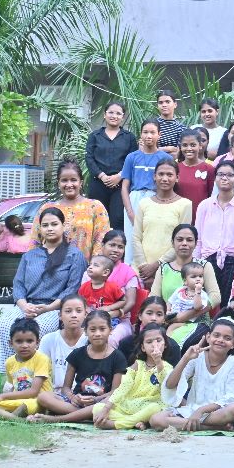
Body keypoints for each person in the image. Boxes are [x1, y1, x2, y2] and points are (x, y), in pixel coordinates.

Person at [0, 206, 87, 376]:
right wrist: (24, 306)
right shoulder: (29, 256)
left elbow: (72, 289)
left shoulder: (74, 255)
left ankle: (34, 377)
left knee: (37, 330)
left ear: (64, 226)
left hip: (54, 308)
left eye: (54, 224)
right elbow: (18, 285)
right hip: (26, 305)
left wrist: (48, 308)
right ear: (40, 228)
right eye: (45, 225)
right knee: (4, 327)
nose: (50, 228)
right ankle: (11, 378)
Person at [29, 310, 126, 424]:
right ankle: (84, 415)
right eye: (92, 329)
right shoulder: (77, 354)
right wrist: (73, 397)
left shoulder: (118, 357)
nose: (97, 333)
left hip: (100, 402)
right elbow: (66, 388)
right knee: (43, 397)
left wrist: (96, 399)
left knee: (108, 402)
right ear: (85, 331)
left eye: (102, 329)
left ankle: (58, 418)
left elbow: (115, 391)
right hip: (77, 403)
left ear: (110, 330)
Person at [151, 317, 234, 431]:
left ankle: (192, 423)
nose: (220, 340)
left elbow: (231, 398)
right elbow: (170, 385)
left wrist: (201, 411)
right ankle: (213, 427)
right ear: (208, 337)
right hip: (192, 410)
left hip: (217, 412)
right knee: (156, 420)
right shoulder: (197, 357)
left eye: (227, 338)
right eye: (216, 335)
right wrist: (186, 358)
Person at [195, 160, 234, 304]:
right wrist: (196, 264)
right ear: (215, 178)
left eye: (230, 175)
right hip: (208, 259)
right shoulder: (205, 205)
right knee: (207, 303)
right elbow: (198, 239)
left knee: (227, 303)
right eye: (220, 174)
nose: (224, 178)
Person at [149, 224, 221, 345]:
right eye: (180, 239)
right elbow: (153, 298)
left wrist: (186, 316)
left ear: (196, 243)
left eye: (189, 240)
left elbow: (215, 297)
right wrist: (162, 317)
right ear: (173, 243)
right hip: (167, 321)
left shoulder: (204, 266)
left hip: (198, 322)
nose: (184, 243)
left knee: (173, 343)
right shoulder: (164, 268)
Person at [94, 323, 172, 430]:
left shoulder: (167, 367)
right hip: (129, 405)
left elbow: (165, 383)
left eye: (158, 340)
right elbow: (123, 387)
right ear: (143, 348)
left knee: (155, 408)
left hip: (149, 406)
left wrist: (158, 362)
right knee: (97, 408)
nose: (155, 345)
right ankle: (136, 422)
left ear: (165, 344)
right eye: (149, 342)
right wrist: (106, 409)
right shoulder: (137, 364)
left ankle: (116, 424)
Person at [0, 317, 51, 419]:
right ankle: (14, 418)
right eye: (19, 341)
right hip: (17, 400)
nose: (24, 345)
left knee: (26, 406)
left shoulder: (42, 359)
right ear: (11, 343)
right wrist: (3, 399)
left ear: (37, 342)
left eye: (29, 341)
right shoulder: (9, 362)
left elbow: (34, 391)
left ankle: (6, 417)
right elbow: (13, 387)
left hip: (37, 401)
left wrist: (1, 396)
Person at [132, 160, 192, 277]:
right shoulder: (144, 203)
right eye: (161, 174)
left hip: (169, 270)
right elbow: (136, 237)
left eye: (169, 175)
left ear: (177, 178)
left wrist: (157, 265)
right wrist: (143, 266)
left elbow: (181, 241)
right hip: (140, 270)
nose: (165, 179)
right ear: (154, 176)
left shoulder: (185, 204)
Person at [85, 101, 138, 230]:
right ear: (105, 114)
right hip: (98, 183)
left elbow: (133, 160)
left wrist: (119, 176)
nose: (114, 116)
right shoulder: (94, 136)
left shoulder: (129, 137)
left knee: (118, 218)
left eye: (118, 113)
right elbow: (89, 158)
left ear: (123, 117)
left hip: (120, 185)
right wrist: (102, 176)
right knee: (97, 220)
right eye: (111, 112)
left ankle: (117, 243)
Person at [166, 262, 212, 339]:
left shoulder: (202, 295)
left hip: (190, 322)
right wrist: (168, 310)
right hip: (173, 317)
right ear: (185, 281)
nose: (198, 279)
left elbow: (198, 307)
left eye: (200, 276)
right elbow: (170, 301)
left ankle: (169, 343)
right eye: (193, 277)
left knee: (171, 328)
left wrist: (198, 292)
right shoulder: (180, 291)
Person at [78, 254, 126, 325]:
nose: (90, 267)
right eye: (90, 265)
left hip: (109, 317)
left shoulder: (112, 287)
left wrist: (109, 307)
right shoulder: (84, 287)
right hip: (89, 317)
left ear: (105, 272)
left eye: (95, 265)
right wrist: (86, 308)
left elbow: (123, 301)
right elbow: (80, 301)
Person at [152, 90, 187, 157]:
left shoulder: (181, 128)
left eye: (167, 102)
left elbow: (180, 152)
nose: (164, 105)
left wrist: (158, 149)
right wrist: (169, 149)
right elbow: (146, 149)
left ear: (175, 104)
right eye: (160, 103)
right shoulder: (151, 126)